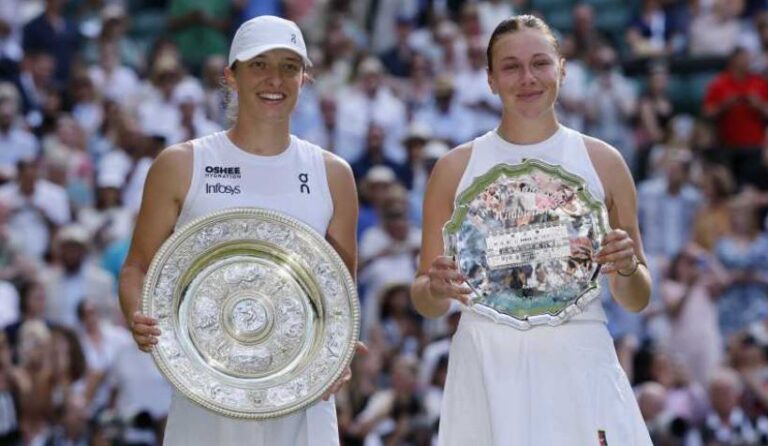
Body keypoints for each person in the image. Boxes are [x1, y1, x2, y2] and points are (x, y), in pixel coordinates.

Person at [410, 15, 653, 445]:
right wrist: (436, 289)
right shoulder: (453, 169)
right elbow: (426, 300)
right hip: (486, 360)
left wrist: (628, 267)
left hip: (580, 357)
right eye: (511, 67)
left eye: (540, 63)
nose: (527, 78)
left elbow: (636, 299)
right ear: (489, 79)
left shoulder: (605, 162)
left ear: (562, 68)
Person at [118, 15, 360, 446]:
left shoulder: (333, 174)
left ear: (305, 78)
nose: (275, 79)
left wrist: (339, 355)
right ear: (230, 76)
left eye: (289, 66)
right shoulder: (181, 164)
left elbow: (340, 295)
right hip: (206, 385)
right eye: (259, 64)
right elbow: (137, 267)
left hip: (302, 396)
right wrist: (140, 319)